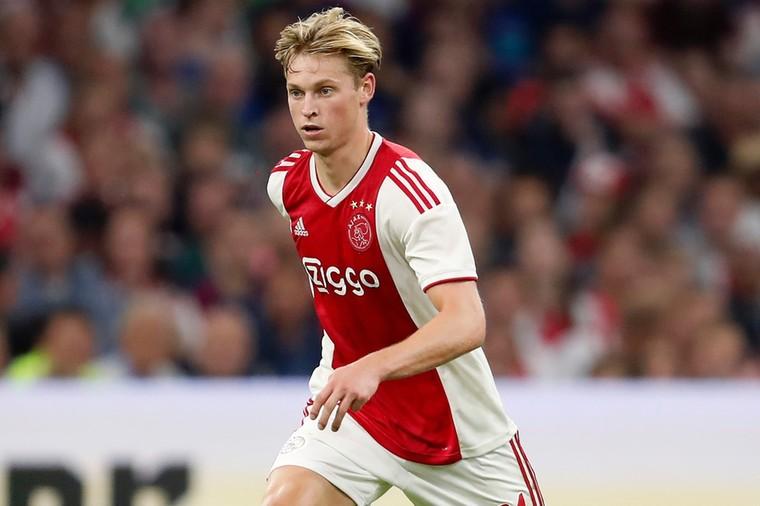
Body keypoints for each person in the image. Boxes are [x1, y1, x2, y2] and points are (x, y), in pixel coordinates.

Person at [263, 8, 544, 506]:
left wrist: (372, 366)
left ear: (365, 89)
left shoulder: (407, 192)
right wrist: (357, 369)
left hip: (454, 432)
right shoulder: (286, 183)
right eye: (296, 92)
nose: (308, 109)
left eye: (325, 91)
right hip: (352, 413)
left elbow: (466, 322)